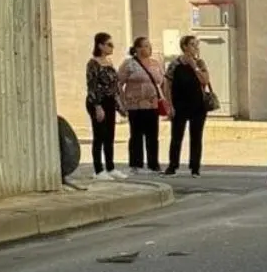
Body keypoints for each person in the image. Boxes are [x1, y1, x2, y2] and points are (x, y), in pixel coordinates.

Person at [118, 37, 167, 175]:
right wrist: (122, 101)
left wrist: (164, 98)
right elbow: (118, 83)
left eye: (149, 46)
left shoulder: (155, 64)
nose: (148, 49)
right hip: (135, 105)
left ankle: (153, 164)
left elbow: (162, 81)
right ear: (137, 49)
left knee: (153, 135)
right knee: (136, 135)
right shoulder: (129, 64)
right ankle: (136, 164)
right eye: (145, 46)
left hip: (152, 105)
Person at [164, 35, 211, 178]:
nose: (195, 48)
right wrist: (169, 105)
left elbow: (205, 80)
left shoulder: (200, 63)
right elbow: (167, 85)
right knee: (176, 136)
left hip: (197, 105)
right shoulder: (175, 64)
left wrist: (194, 67)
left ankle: (195, 167)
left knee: (196, 136)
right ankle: (173, 165)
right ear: (184, 46)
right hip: (180, 105)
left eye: (196, 45)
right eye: (192, 45)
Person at [85, 32, 127, 181]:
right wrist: (97, 106)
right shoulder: (93, 64)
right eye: (109, 44)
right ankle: (98, 169)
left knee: (110, 135)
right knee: (99, 135)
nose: (112, 47)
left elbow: (114, 86)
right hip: (98, 102)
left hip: (110, 102)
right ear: (100, 45)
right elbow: (92, 86)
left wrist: (119, 105)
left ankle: (111, 167)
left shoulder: (109, 63)